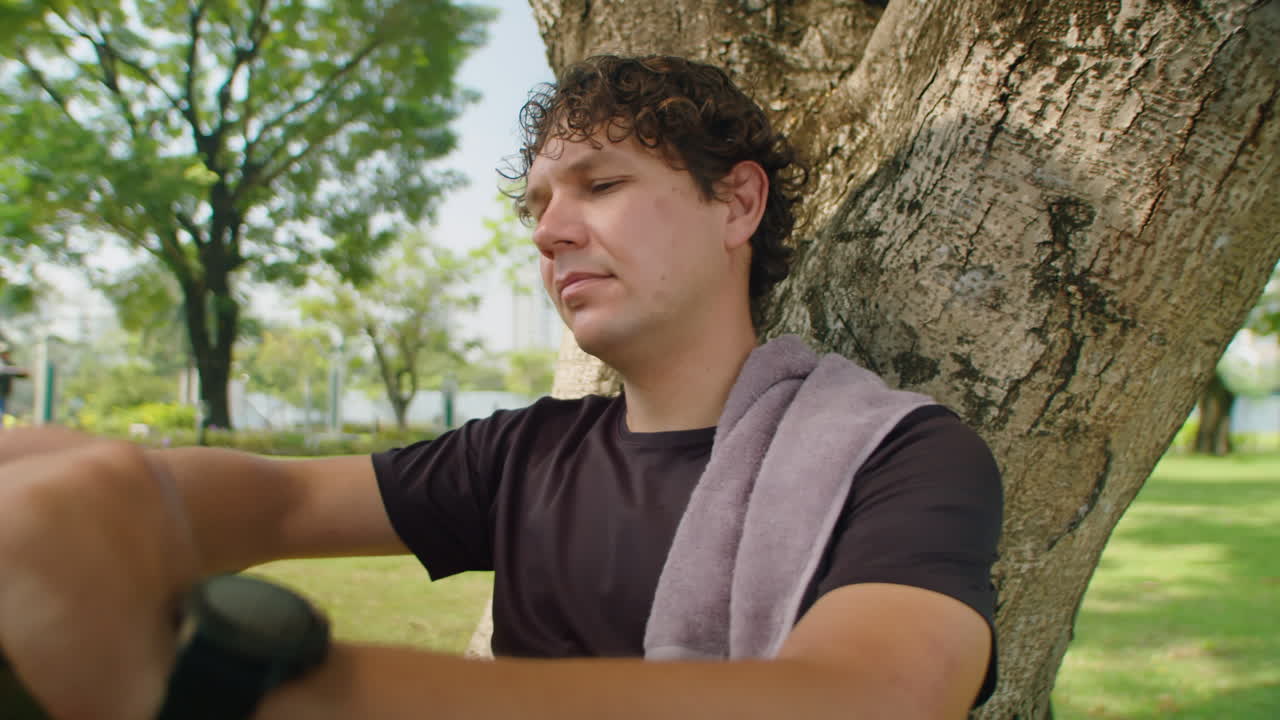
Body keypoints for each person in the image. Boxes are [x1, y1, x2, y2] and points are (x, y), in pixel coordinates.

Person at [0, 55, 1001, 720]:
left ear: (735, 201)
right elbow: (280, 495)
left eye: (600, 186)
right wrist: (109, 491)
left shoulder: (895, 454)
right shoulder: (525, 453)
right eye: (537, 203)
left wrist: (240, 687)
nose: (549, 230)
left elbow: (872, 696)